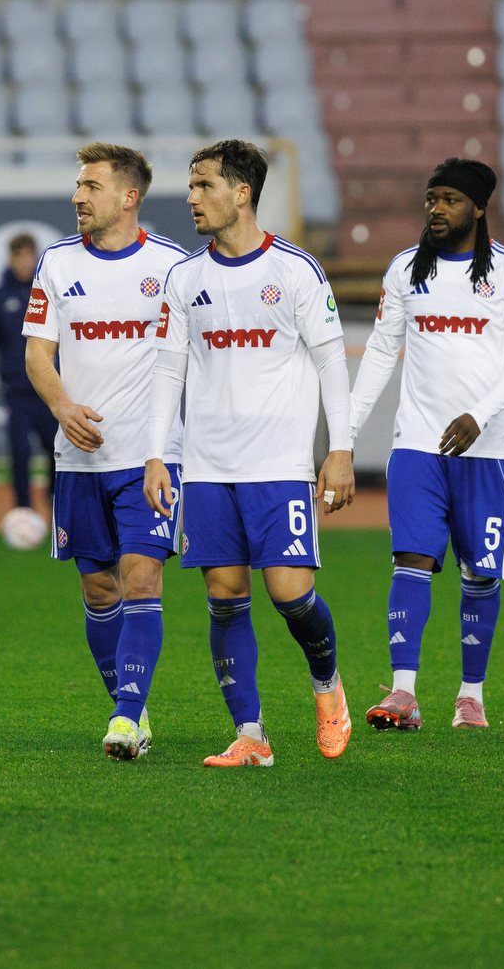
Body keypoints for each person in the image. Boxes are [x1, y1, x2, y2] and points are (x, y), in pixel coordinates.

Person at [143, 139, 355, 768]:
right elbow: (168, 371)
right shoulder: (185, 278)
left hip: (279, 465)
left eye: (204, 185)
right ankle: (251, 735)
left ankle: (327, 683)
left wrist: (340, 450)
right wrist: (157, 455)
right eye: (191, 185)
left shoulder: (295, 270)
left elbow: (332, 364)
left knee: (291, 594)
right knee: (225, 594)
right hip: (207, 467)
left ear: (242, 193)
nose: (191, 197)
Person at [349, 159, 504, 731]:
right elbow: (381, 351)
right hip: (417, 445)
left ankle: (471, 695)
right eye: (432, 198)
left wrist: (480, 415)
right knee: (411, 559)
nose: (437, 209)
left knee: (479, 575)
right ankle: (403, 693)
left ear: (478, 208)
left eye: (451, 199)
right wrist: (345, 435)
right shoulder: (406, 269)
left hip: (488, 451)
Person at [23, 144, 186, 760]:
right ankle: (131, 706)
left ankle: (125, 716)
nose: (77, 196)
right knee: (98, 590)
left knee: (141, 576)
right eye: (78, 185)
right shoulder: (57, 263)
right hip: (80, 459)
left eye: (91, 186)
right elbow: (37, 353)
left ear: (128, 196)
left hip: (151, 455)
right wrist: (63, 407)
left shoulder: (171, 266)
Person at [0, 233, 57, 511]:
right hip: (16, 391)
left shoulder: (48, 293)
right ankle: (23, 511)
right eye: (18, 256)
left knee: (56, 449)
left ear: (35, 258)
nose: (24, 262)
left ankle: (54, 499)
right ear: (10, 259)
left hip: (49, 390)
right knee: (20, 453)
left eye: (28, 256)